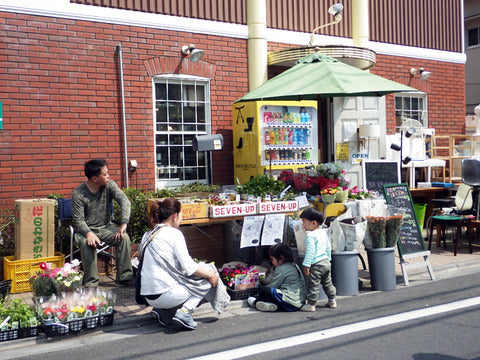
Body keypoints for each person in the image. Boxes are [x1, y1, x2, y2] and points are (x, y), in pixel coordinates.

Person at [139, 198, 230, 330]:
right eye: (181, 216)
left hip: (147, 296)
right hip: (165, 295)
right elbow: (190, 268)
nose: (181, 219)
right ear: (175, 216)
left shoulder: (148, 234)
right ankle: (185, 312)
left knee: (195, 277)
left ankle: (163, 312)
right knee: (206, 280)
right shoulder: (174, 234)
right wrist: (211, 275)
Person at [72, 159, 133, 287]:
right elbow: (78, 220)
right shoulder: (78, 193)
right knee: (86, 243)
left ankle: (124, 276)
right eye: (105, 174)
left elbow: (124, 201)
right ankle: (91, 282)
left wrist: (123, 224)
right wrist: (89, 233)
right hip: (85, 230)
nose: (108, 176)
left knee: (124, 238)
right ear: (94, 178)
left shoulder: (109, 185)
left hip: (105, 227)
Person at [247, 243, 306, 312]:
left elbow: (273, 285)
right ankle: (272, 306)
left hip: (289, 300)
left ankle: (255, 302)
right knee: (273, 293)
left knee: (266, 290)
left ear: (281, 258)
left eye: (272, 259)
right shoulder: (294, 265)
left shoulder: (281, 269)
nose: (272, 262)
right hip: (299, 302)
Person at [299, 207, 337, 311]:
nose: (302, 224)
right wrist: (328, 259)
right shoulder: (323, 233)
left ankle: (311, 305)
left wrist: (306, 265)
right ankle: (332, 300)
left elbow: (310, 252)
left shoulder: (310, 236)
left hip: (316, 264)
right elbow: (328, 247)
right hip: (326, 262)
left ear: (313, 223)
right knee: (328, 283)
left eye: (304, 222)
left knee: (313, 285)